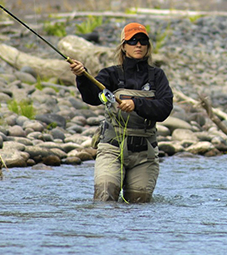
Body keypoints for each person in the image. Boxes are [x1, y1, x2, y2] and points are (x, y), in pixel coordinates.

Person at [68, 22, 173, 203]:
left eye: (142, 41)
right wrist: (82, 77)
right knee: (104, 200)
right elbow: (93, 97)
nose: (138, 45)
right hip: (111, 149)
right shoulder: (111, 75)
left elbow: (164, 109)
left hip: (144, 155)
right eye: (132, 41)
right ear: (124, 46)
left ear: (148, 46)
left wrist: (137, 104)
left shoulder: (157, 76)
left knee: (139, 207)